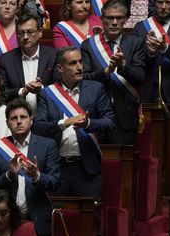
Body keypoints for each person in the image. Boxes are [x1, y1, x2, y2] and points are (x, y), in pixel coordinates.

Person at [34, 46, 115, 203]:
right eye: (73, 63)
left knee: (90, 220)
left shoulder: (95, 88)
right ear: (60, 68)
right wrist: (64, 123)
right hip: (57, 167)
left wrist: (88, 123)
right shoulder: (48, 93)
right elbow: (39, 127)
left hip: (87, 169)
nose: (79, 67)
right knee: (58, 219)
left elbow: (110, 121)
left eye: (80, 62)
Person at [0, 98, 60, 236]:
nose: (18, 121)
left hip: (38, 221)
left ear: (31, 120)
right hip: (6, 222)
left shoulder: (48, 145)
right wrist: (9, 175)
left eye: (23, 117)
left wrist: (36, 176)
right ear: (7, 123)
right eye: (14, 118)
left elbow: (55, 182)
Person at [81, 0, 145, 146]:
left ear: (126, 20)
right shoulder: (89, 46)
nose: (115, 22)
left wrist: (123, 66)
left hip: (125, 117)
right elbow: (83, 78)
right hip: (95, 114)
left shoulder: (136, 43)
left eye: (119, 18)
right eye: (110, 18)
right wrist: (105, 72)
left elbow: (140, 78)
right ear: (102, 20)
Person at [0, 14, 56, 113]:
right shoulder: (6, 60)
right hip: (18, 119)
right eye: (21, 33)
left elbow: (61, 87)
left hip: (47, 118)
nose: (25, 37)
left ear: (40, 33)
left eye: (30, 32)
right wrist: (22, 91)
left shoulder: (53, 56)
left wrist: (42, 88)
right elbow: (2, 92)